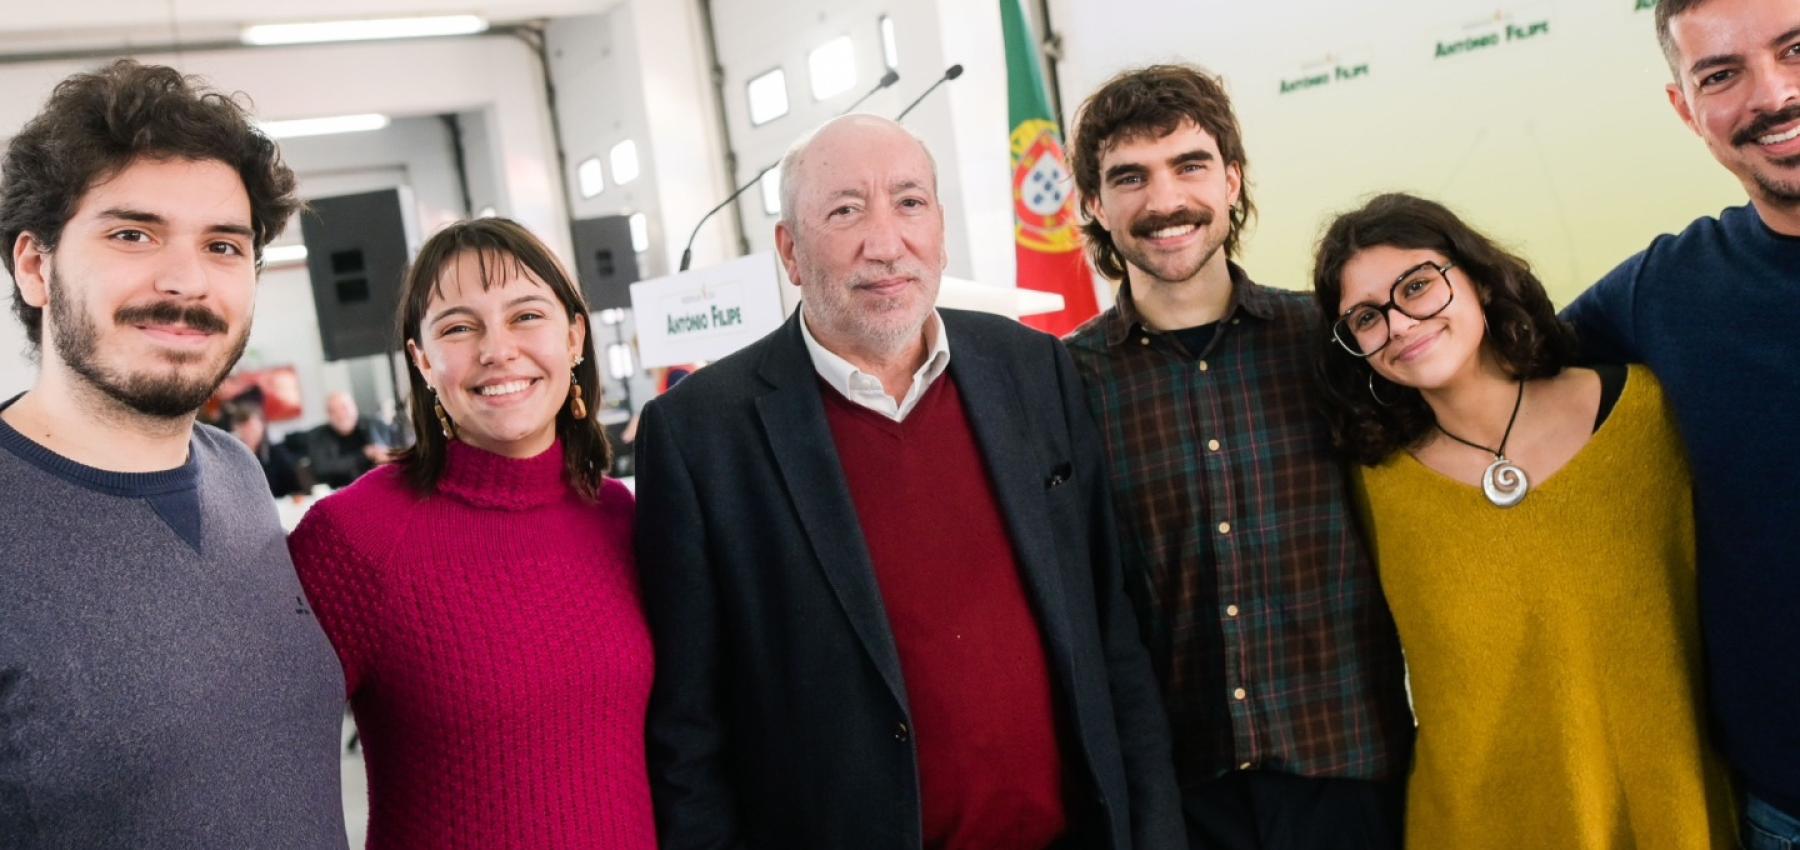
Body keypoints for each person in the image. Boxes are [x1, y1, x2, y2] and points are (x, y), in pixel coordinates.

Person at [633, 114, 1184, 850]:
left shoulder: (1033, 368)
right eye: (845, 211)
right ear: (790, 251)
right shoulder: (701, 435)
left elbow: (1109, 631)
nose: (885, 243)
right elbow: (688, 732)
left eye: (909, 202)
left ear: (941, 230)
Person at [1313, 192, 1737, 849]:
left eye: (1417, 286)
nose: (1399, 323)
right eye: (1366, 317)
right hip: (1474, 826)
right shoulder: (1373, 487)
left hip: (1671, 814)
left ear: (1480, 280)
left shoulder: (1648, 415)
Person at [1062, 64, 1411, 850]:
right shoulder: (1063, 383)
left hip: (1349, 777)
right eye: (1129, 177)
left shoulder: (1331, 341)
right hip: (1177, 802)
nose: (1164, 201)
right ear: (1094, 205)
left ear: (1231, 180)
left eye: (1189, 165)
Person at [0, 60, 347, 847]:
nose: (187, 281)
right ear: (35, 267)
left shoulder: (237, 472)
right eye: (132, 234)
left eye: (223, 245)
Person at [286, 218, 653, 849]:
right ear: (422, 360)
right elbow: (254, 770)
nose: (497, 350)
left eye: (526, 316)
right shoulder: (356, 538)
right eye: (459, 327)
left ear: (574, 337)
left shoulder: (621, 516)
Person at [1561, 0, 1800, 843]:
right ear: (1686, 109)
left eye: (1796, 49)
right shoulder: (1661, 294)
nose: (1772, 94)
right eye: (1721, 74)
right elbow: (1485, 375)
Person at [296, 389, 392, 488]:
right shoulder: (317, 436)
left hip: (376, 486)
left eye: (344, 408)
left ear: (354, 407)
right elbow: (322, 468)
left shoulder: (375, 426)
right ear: (328, 414)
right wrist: (363, 455)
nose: (340, 415)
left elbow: (392, 454)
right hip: (337, 490)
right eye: (333, 411)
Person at [223, 390, 306, 496]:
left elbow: (295, 487)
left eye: (252, 427)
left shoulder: (276, 453)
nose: (249, 432)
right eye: (243, 428)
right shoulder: (230, 457)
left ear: (262, 426)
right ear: (235, 429)